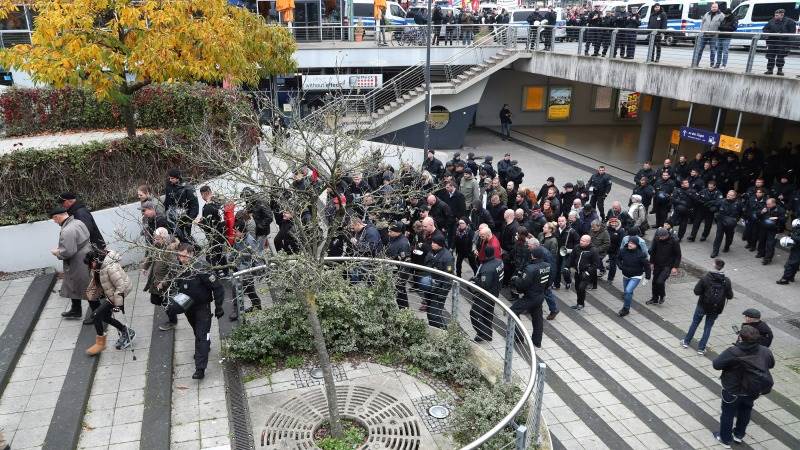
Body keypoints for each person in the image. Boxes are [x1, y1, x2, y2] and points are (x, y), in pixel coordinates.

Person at [169, 243, 225, 379]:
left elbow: (217, 287)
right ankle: (205, 347)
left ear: (191, 254)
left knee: (201, 335)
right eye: (179, 256)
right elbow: (175, 286)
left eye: (184, 256)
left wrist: (219, 306)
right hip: (188, 307)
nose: (181, 259)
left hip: (202, 307)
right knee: (196, 330)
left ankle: (200, 368)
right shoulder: (179, 269)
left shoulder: (202, 268)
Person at [712, 325, 775, 447]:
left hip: (733, 390)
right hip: (753, 390)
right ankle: (739, 435)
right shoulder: (765, 351)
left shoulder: (733, 351)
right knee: (746, 410)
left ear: (741, 338)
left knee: (728, 414)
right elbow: (770, 364)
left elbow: (716, 364)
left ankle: (725, 439)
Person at [83, 249, 135, 355]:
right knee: (105, 317)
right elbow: (98, 282)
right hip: (112, 292)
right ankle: (126, 331)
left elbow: (121, 286)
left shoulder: (109, 267)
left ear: (94, 260)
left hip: (117, 294)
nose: (90, 267)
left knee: (96, 315)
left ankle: (100, 344)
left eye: (90, 264)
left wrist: (118, 303)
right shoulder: (99, 266)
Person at [680, 259, 733, 354]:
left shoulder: (706, 278)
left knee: (695, 323)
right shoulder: (726, 281)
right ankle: (701, 348)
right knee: (708, 327)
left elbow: (696, 291)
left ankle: (686, 342)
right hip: (716, 308)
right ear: (722, 268)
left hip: (702, 305)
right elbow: (730, 296)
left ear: (714, 266)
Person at [50, 207, 93, 320]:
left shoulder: (67, 230)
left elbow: (67, 252)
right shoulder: (78, 222)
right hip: (86, 256)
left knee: (86, 287)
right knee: (73, 286)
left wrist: (57, 253)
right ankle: (75, 309)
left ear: (57, 217)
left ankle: (96, 314)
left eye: (54, 220)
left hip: (77, 262)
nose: (55, 222)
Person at [511, 245, 550, 348]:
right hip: (540, 295)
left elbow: (523, 284)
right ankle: (537, 341)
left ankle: (518, 336)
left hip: (530, 297)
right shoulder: (547, 266)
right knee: (538, 319)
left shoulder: (530, 268)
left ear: (533, 256)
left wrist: (515, 280)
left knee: (513, 311)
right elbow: (549, 281)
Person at [229, 220, 264, 321]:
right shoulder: (238, 239)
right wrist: (231, 259)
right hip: (240, 267)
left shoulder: (250, 241)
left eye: (236, 231)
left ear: (243, 231)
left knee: (235, 288)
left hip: (246, 270)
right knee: (249, 290)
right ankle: (257, 305)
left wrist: (256, 271)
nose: (235, 233)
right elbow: (235, 251)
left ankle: (237, 310)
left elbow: (255, 257)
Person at [470, 245, 502, 342]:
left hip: (486, 295)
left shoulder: (487, 268)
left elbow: (484, 284)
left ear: (484, 253)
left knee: (474, 313)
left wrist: (475, 280)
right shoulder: (499, 262)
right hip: (495, 292)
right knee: (488, 313)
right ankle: (488, 334)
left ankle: (483, 333)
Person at [424, 233, 454, 329]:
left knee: (435, 314)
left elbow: (448, 277)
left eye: (435, 243)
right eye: (432, 242)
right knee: (430, 312)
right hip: (429, 287)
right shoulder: (431, 252)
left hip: (439, 290)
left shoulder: (448, 257)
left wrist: (442, 293)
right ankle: (434, 330)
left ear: (440, 244)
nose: (432, 244)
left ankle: (444, 333)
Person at [616, 239, 651, 317]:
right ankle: (627, 302)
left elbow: (647, 266)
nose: (629, 244)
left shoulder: (640, 254)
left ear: (636, 245)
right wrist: (620, 266)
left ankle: (625, 309)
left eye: (632, 243)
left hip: (636, 276)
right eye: (629, 243)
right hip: (625, 275)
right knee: (627, 292)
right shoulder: (623, 251)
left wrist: (647, 278)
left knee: (628, 291)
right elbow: (618, 259)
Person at [198, 186, 228, 274]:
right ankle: (225, 271)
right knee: (220, 253)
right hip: (222, 231)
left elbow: (208, 226)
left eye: (202, 195)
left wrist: (199, 223)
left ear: (204, 194)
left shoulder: (207, 208)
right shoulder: (218, 202)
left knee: (215, 256)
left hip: (215, 235)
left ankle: (222, 272)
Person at [164, 169, 199, 243]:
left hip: (185, 218)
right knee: (177, 238)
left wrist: (189, 220)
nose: (170, 180)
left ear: (177, 178)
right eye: (169, 178)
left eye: (172, 178)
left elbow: (194, 206)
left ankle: (194, 250)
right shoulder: (169, 187)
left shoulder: (187, 188)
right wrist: (166, 215)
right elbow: (167, 202)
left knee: (186, 237)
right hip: (172, 219)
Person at [648, 227, 682, 305]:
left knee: (660, 281)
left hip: (667, 265)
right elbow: (653, 252)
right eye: (659, 236)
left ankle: (662, 295)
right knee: (654, 282)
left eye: (662, 237)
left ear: (666, 235)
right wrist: (651, 263)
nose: (660, 238)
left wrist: (675, 267)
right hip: (657, 264)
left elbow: (678, 255)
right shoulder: (657, 239)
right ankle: (654, 298)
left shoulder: (674, 241)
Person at [568, 235, 601, 311]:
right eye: (581, 240)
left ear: (588, 242)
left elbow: (596, 264)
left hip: (586, 274)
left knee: (581, 288)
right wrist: (567, 266)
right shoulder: (577, 247)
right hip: (578, 272)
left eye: (583, 241)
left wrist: (587, 272)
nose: (581, 242)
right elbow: (571, 258)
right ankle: (579, 303)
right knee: (577, 288)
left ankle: (581, 304)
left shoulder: (593, 250)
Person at [762, 9, 797, 76]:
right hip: (772, 41)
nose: (775, 16)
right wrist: (772, 34)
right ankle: (770, 70)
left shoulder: (789, 21)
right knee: (770, 56)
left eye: (777, 15)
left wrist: (788, 43)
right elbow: (765, 29)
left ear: (782, 15)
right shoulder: (771, 21)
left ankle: (779, 70)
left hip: (782, 42)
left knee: (780, 57)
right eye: (775, 15)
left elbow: (792, 33)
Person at [711, 190, 743, 258]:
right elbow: (716, 207)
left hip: (730, 223)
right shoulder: (721, 201)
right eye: (728, 194)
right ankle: (715, 251)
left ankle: (727, 246)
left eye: (731, 195)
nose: (728, 195)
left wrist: (736, 220)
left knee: (729, 237)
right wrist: (714, 211)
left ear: (734, 196)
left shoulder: (738, 204)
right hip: (721, 220)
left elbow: (741, 213)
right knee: (718, 236)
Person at [692, 2, 723, 67]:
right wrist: (701, 31)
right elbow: (702, 22)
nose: (714, 8)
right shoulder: (707, 14)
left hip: (713, 36)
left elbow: (723, 24)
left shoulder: (721, 15)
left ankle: (711, 64)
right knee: (700, 49)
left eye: (715, 7)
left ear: (717, 8)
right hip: (704, 34)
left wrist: (718, 32)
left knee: (712, 50)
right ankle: (696, 63)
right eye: (713, 7)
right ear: (711, 8)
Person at [755, 198, 785, 265]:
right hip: (763, 228)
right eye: (767, 204)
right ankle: (761, 253)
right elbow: (757, 215)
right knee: (761, 241)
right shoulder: (765, 207)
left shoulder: (780, 210)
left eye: (769, 204)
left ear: (774, 203)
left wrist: (776, 218)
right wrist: (761, 212)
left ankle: (767, 259)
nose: (767, 205)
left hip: (773, 230)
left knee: (770, 244)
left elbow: (783, 220)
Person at [777, 219, 800, 284]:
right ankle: (791, 277)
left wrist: (793, 236)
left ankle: (785, 279)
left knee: (790, 264)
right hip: (796, 248)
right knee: (795, 264)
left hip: (797, 250)